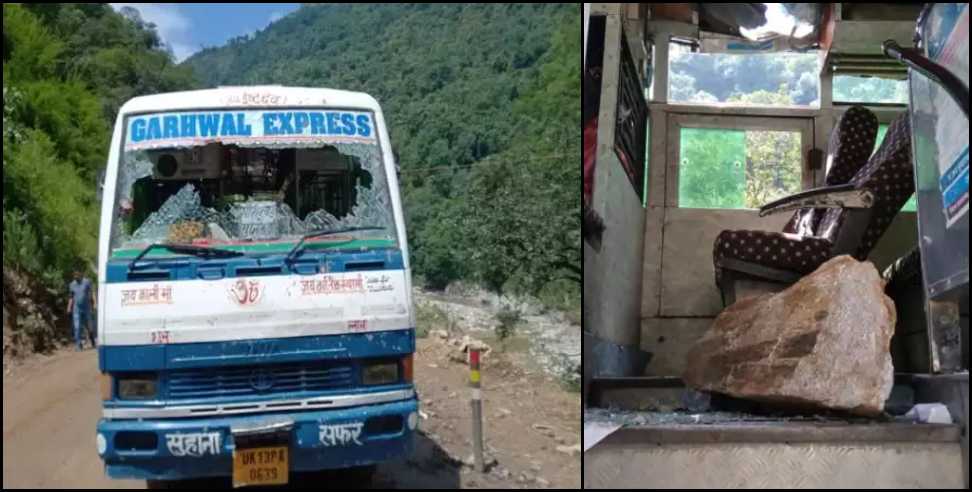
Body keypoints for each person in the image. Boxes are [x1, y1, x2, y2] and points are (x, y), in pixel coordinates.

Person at [67, 269, 97, 350]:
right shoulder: (72, 284)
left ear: (81, 274)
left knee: (89, 326)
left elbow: (92, 292)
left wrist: (94, 303)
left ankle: (93, 341)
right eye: (74, 275)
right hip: (76, 308)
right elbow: (71, 297)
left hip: (86, 307)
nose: (76, 276)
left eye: (77, 275)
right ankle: (78, 345)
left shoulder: (87, 282)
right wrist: (69, 307)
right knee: (77, 327)